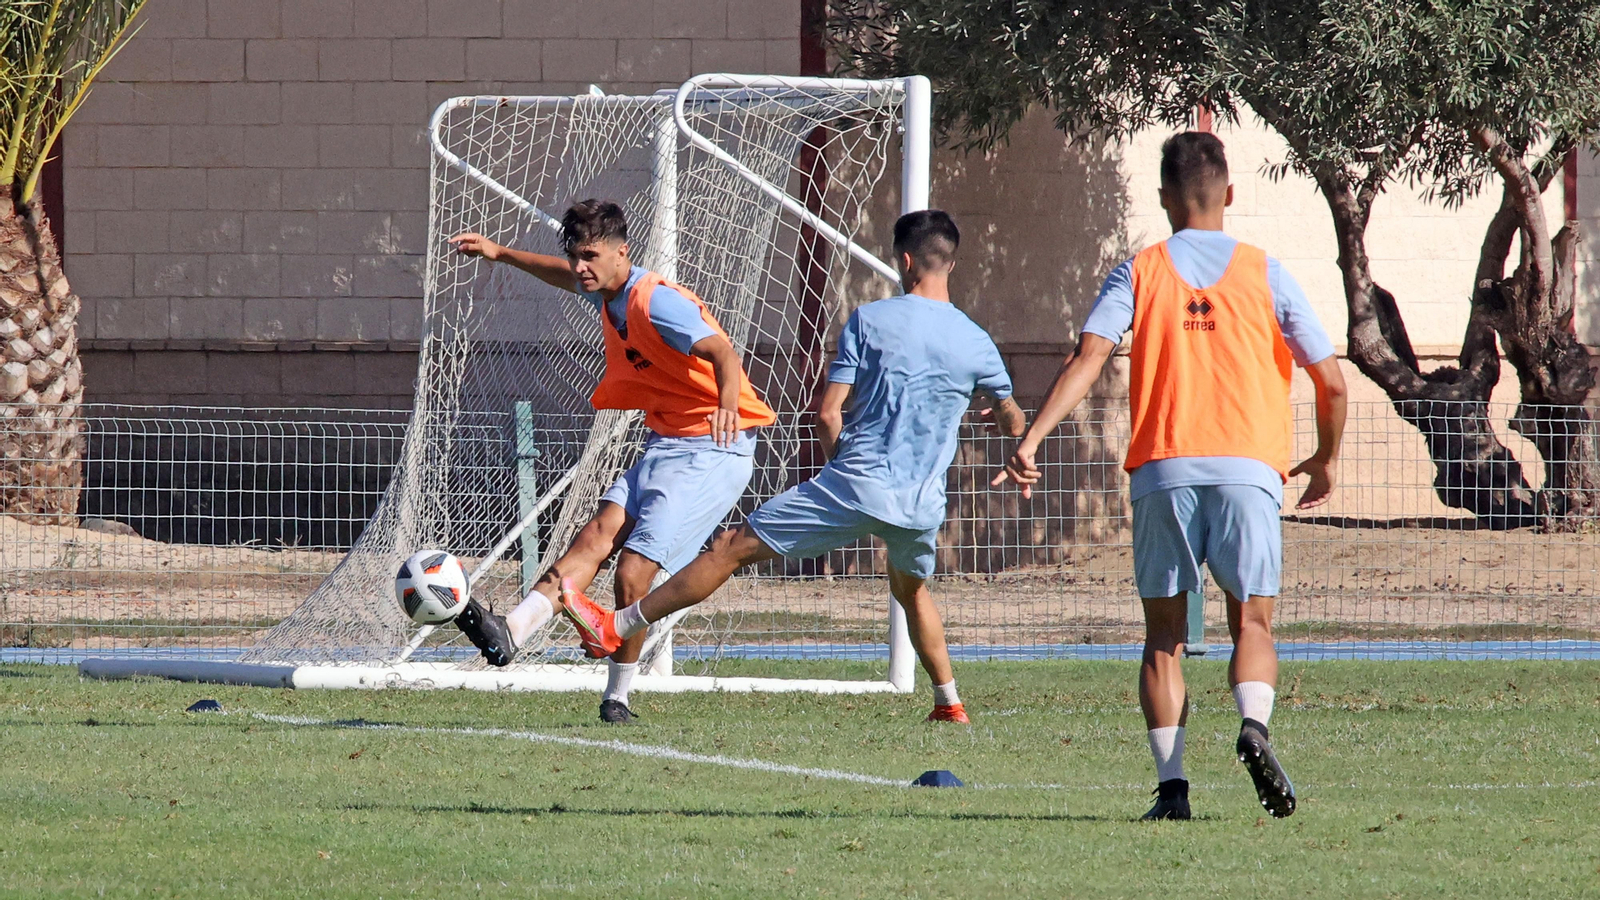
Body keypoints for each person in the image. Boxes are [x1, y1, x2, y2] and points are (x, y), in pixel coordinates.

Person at [995, 132, 1347, 820]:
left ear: (1163, 198)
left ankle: (1174, 789)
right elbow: (1331, 383)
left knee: (1164, 637)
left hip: (1164, 469)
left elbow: (1089, 356)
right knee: (1254, 621)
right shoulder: (1266, 271)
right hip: (1249, 469)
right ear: (1231, 195)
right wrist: (1326, 457)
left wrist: (1033, 436)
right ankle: (1254, 726)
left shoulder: (1138, 272)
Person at [557, 209, 1026, 723]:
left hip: (853, 487)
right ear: (951, 265)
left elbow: (827, 414)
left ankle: (618, 624)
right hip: (921, 506)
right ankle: (950, 702)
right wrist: (1005, 425)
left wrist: (838, 472)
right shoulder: (978, 341)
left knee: (729, 548)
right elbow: (1011, 418)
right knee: (911, 589)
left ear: (905, 260)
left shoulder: (870, 320)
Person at [447, 199, 776, 724]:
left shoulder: (657, 301)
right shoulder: (605, 288)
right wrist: (501, 253)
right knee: (594, 535)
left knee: (632, 571)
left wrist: (727, 405)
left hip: (712, 450)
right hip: (667, 442)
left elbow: (723, 352)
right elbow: (563, 275)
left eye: (591, 256)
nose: (581, 267)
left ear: (623, 252)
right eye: (576, 256)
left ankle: (618, 698)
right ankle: (511, 631)